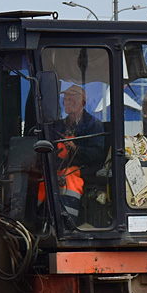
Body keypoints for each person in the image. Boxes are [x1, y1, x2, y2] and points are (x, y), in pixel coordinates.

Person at [43, 84, 107, 225]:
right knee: (43, 178)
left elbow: (97, 154)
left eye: (71, 100)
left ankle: (67, 223)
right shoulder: (57, 125)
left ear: (82, 104)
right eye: (65, 99)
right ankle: (40, 219)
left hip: (82, 168)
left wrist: (75, 148)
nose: (66, 103)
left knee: (68, 178)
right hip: (59, 165)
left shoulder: (93, 125)